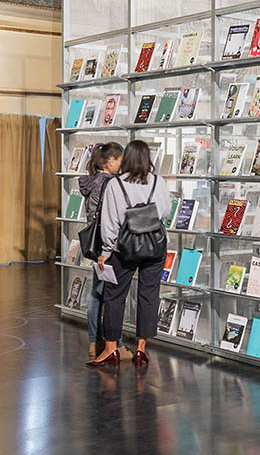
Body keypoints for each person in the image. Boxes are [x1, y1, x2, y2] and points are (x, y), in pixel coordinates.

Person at [89, 140, 171, 368]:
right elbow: (165, 212)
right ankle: (141, 348)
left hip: (124, 247)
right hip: (155, 245)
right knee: (149, 295)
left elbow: (110, 222)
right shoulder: (159, 182)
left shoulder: (116, 185)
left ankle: (110, 348)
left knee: (114, 296)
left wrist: (106, 251)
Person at [78, 142, 128, 360]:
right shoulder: (110, 183)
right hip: (108, 245)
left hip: (95, 243)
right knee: (112, 295)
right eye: (120, 160)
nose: (122, 164)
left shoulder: (92, 181)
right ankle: (115, 344)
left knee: (97, 294)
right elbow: (112, 216)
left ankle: (94, 342)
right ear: (110, 161)